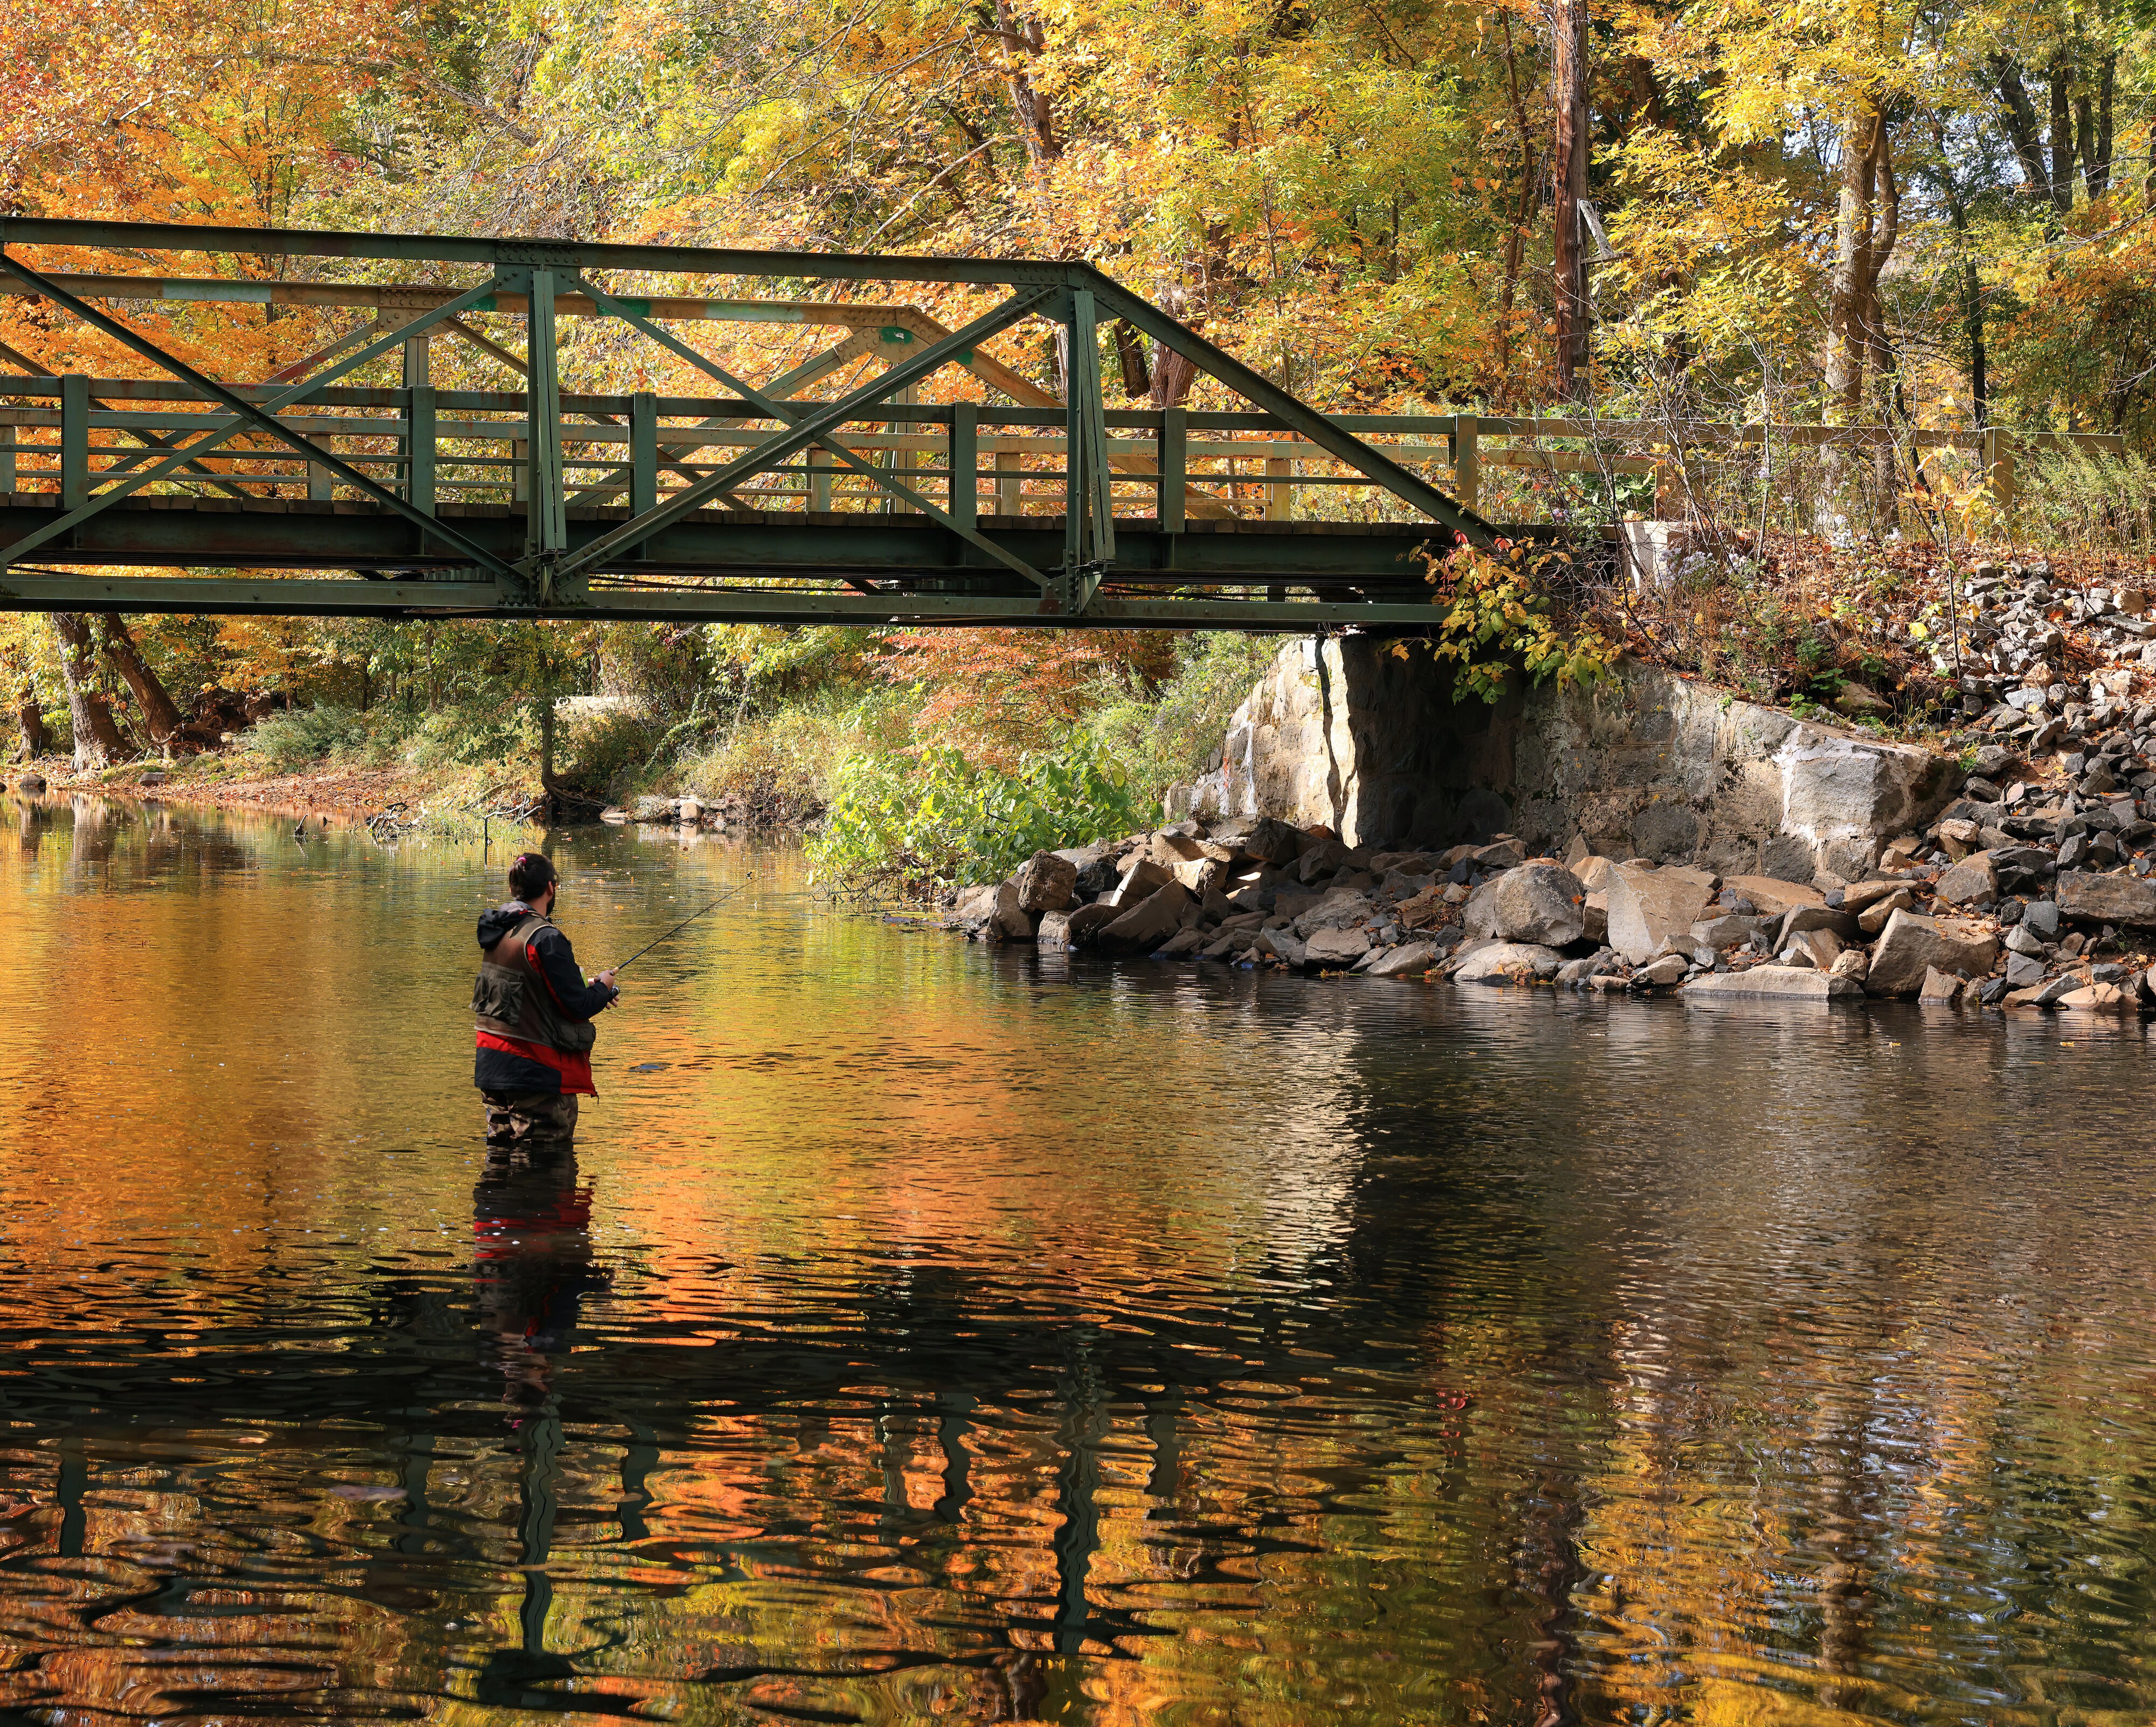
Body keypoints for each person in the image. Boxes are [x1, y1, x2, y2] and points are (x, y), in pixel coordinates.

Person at [472, 852, 619, 1144]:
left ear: (516, 888)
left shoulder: (498, 931)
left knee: (500, 1171)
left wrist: (586, 984)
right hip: (535, 1075)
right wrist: (603, 988)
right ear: (551, 888)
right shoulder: (546, 937)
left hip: (492, 1069)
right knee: (545, 1169)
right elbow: (578, 1007)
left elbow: (521, 985)